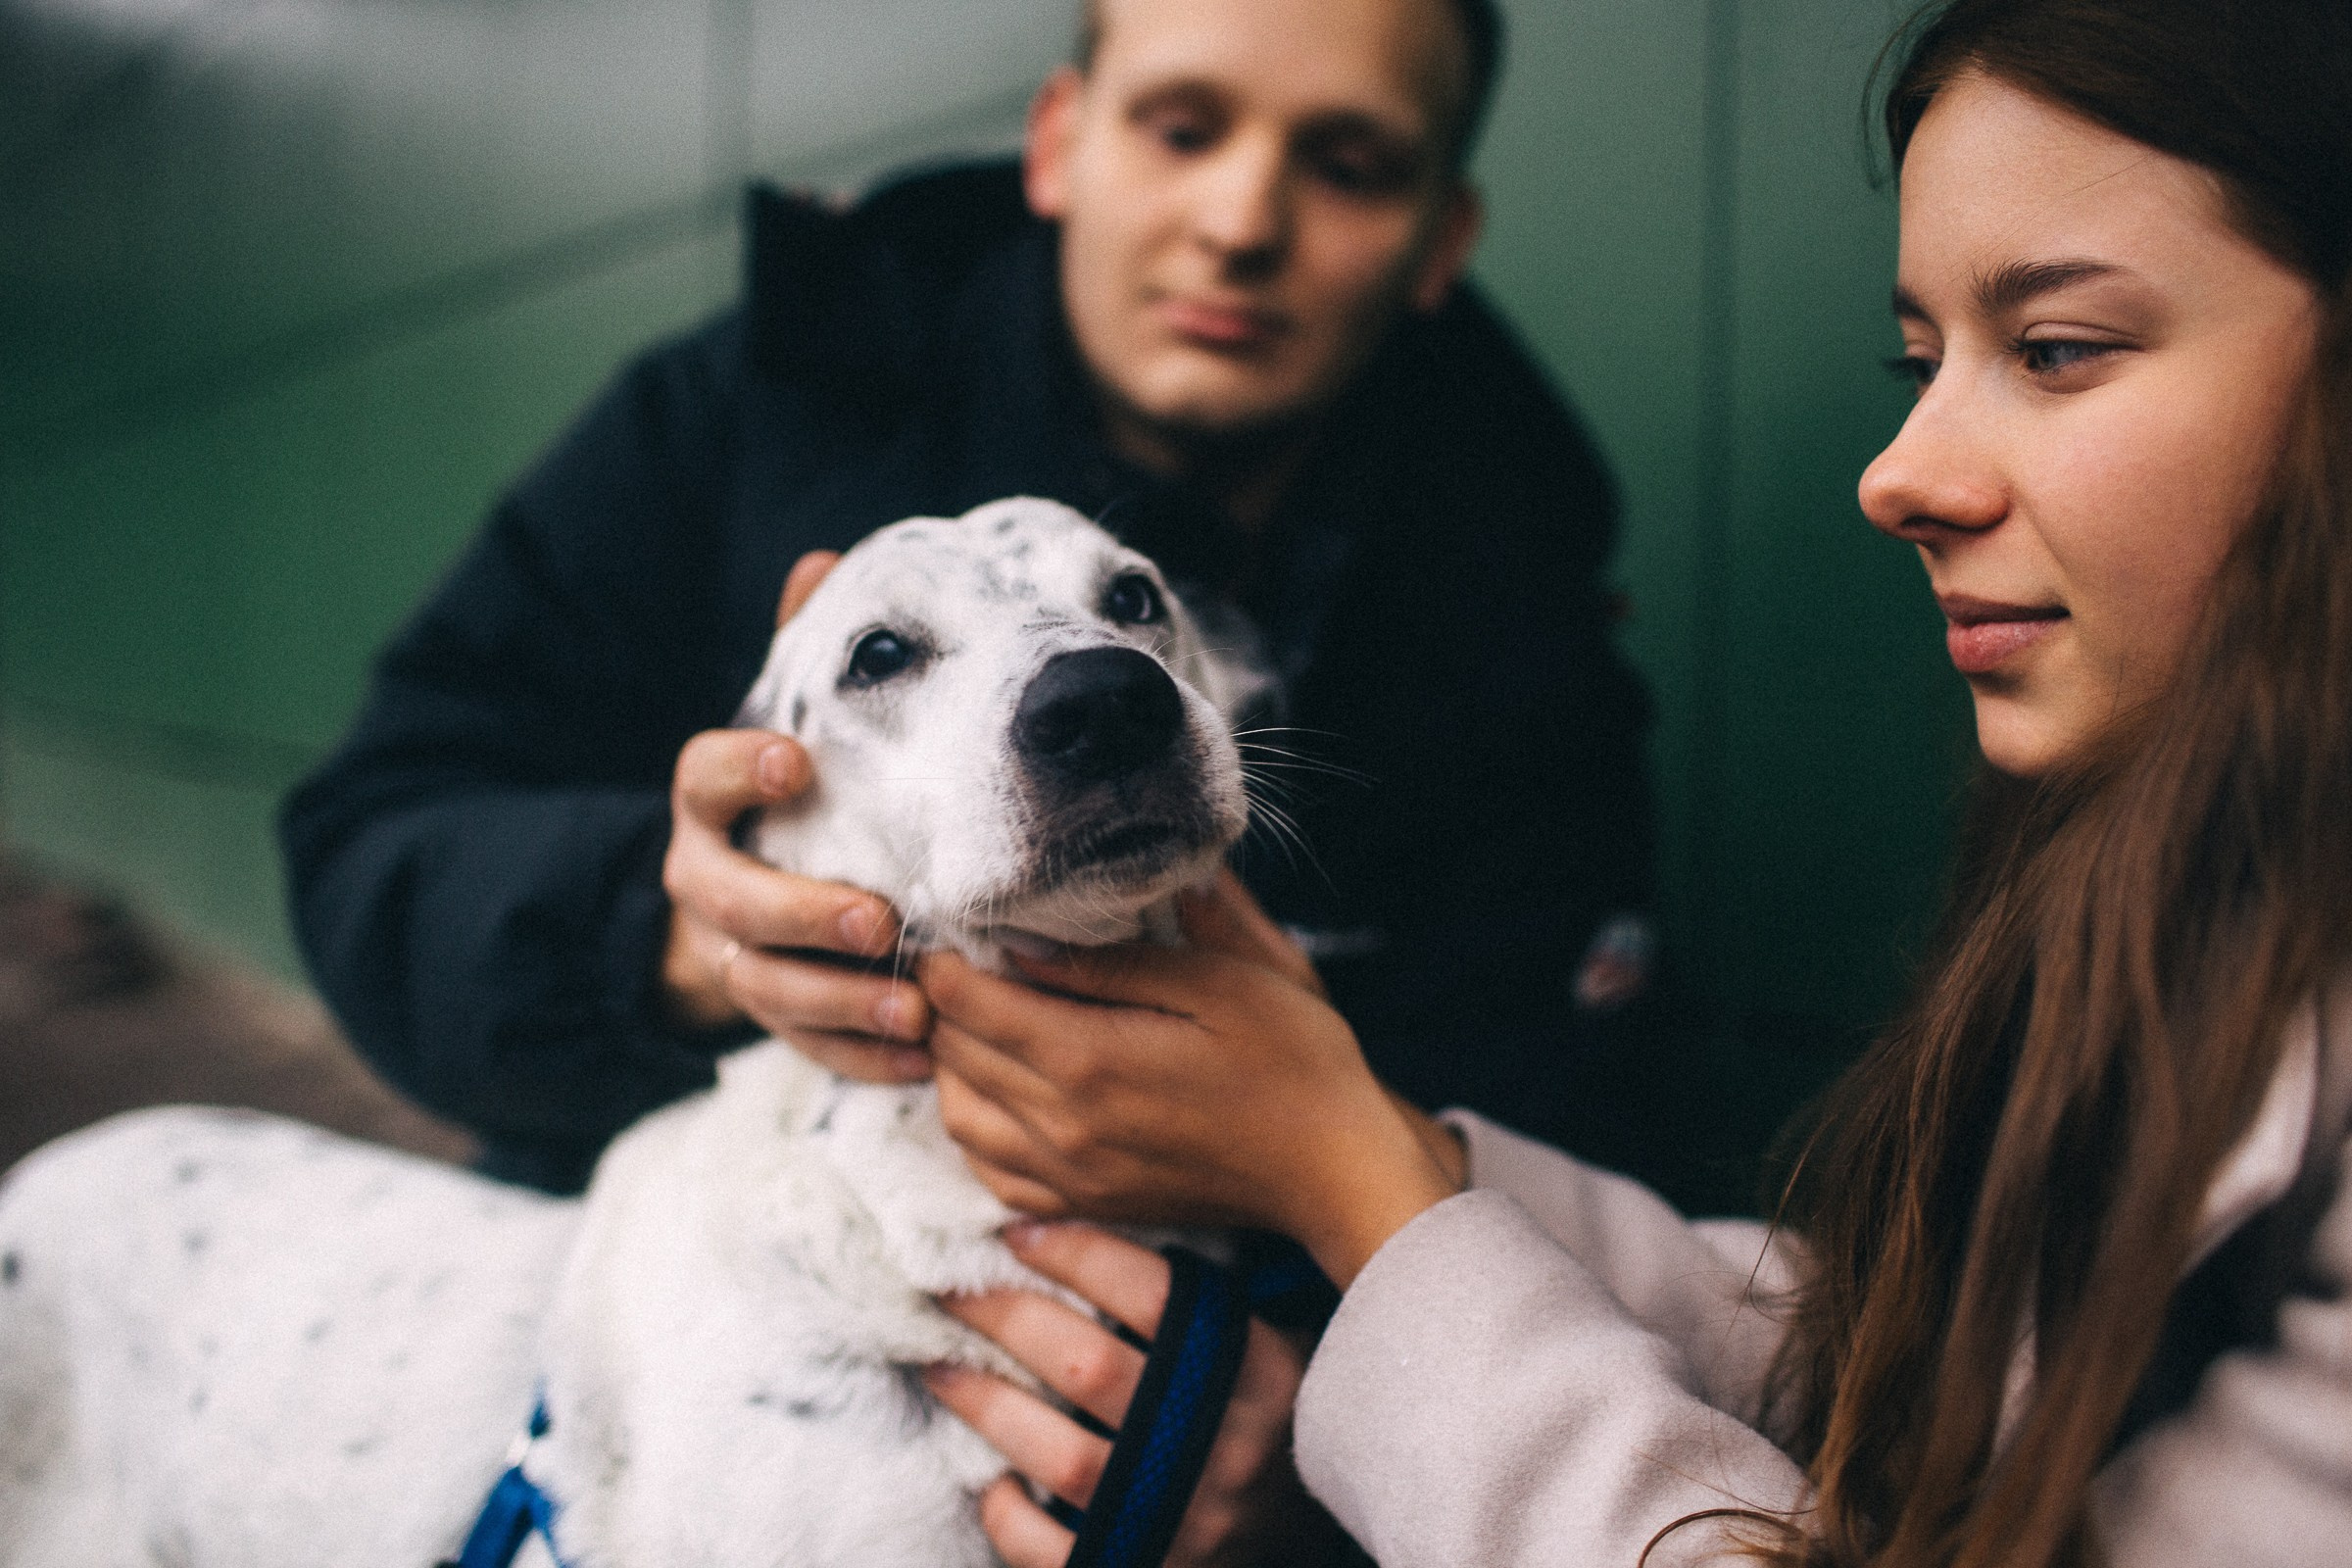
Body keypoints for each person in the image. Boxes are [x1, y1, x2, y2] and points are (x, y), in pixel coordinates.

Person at [903, 1, 2352, 1563]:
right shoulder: (2198, 893)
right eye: (1917, 361)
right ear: (1060, 139)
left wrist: (1360, 1188)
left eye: (2056, 350)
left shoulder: (1528, 621)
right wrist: (1360, 1142)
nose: (1900, 476)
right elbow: (1923, 1353)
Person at [278, 0, 1658, 1198]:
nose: (1241, 224)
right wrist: (679, 932)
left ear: (1441, 238)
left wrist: (1309, 1386)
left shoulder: (1520, 582)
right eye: (1183, 129)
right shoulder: (750, 405)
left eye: (1350, 167)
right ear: (1058, 141)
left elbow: (1557, 1115)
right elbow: (368, 847)